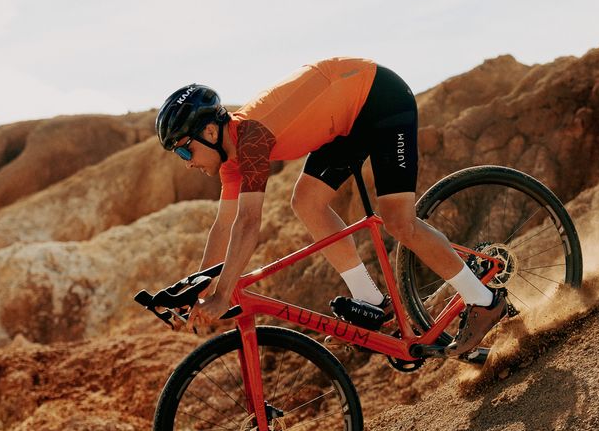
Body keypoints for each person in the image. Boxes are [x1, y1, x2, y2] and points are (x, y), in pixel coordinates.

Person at [155, 57, 505, 355]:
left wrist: (223, 293)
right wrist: (197, 288)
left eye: (185, 149)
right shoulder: (231, 158)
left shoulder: (252, 137)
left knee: (399, 222)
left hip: (380, 99)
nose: (186, 162)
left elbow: (247, 224)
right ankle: (371, 301)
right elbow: (224, 225)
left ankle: (485, 302)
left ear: (210, 134)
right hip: (345, 121)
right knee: (306, 201)